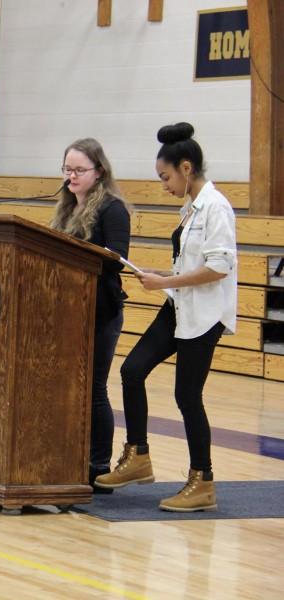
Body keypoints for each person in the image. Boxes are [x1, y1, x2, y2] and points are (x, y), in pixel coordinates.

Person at [95, 122, 237, 513]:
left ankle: (202, 480)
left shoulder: (216, 207)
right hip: (178, 305)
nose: (164, 185)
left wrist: (165, 281)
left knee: (187, 396)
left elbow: (220, 267)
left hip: (205, 315)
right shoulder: (191, 209)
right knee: (132, 370)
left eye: (166, 176)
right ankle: (138, 455)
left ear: (186, 168)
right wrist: (162, 279)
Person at [50, 139, 131, 492]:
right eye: (67, 169)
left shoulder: (113, 209)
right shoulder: (65, 210)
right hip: (66, 311)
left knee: (94, 388)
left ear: (99, 172)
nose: (72, 176)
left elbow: (117, 258)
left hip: (101, 310)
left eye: (79, 170)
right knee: (67, 385)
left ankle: (98, 465)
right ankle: (67, 454)